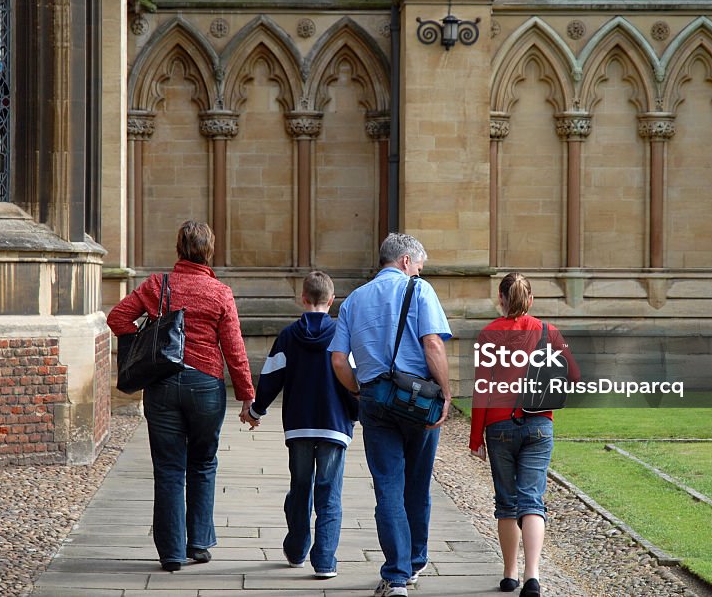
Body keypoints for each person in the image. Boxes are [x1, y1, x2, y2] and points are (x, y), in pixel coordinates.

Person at [106, 220, 255, 573]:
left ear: (179, 249)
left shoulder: (159, 284)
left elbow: (118, 318)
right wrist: (248, 397)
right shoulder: (220, 292)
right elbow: (234, 350)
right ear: (209, 251)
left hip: (163, 384)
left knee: (169, 469)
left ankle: (171, 553)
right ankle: (199, 544)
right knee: (203, 463)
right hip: (206, 387)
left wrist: (145, 342)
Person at [329, 233, 452, 597]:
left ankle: (396, 577)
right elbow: (432, 344)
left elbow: (338, 359)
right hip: (417, 399)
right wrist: (446, 394)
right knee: (417, 483)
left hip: (375, 399)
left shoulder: (353, 300)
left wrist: (358, 389)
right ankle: (414, 562)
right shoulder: (419, 290)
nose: (419, 271)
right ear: (405, 262)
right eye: (418, 265)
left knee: (388, 487)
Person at [469, 273, 580, 597]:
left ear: (500, 299)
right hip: (539, 425)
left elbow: (482, 389)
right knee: (532, 501)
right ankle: (533, 575)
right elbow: (574, 375)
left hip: (499, 425)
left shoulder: (488, 334)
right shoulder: (548, 332)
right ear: (530, 300)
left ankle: (509, 574)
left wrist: (476, 439)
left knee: (506, 503)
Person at [242, 271, 358, 580]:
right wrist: (358, 413)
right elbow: (354, 380)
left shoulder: (288, 336)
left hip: (299, 426)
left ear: (302, 299)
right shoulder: (342, 334)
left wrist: (256, 410)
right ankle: (325, 561)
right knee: (329, 492)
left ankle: (296, 550)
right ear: (332, 301)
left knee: (300, 487)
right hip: (334, 425)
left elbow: (270, 379)